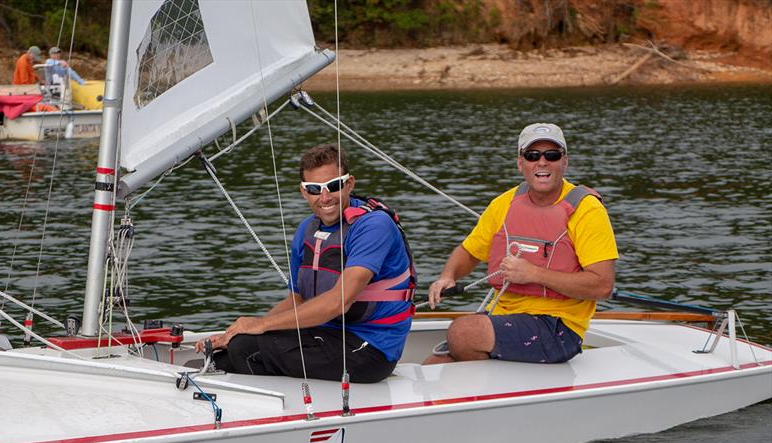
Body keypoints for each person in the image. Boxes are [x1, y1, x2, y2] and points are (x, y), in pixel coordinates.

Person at [195, 144, 416, 383]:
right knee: (223, 355)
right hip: (325, 334)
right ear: (303, 192)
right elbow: (296, 300)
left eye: (333, 186)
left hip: (370, 349)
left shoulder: (373, 226)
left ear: (349, 184)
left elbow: (339, 301)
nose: (325, 197)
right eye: (314, 189)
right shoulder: (306, 230)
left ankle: (277, 413)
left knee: (245, 350)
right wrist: (233, 332)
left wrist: (261, 325)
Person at [425, 123, 618, 365]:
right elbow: (469, 251)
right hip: (506, 315)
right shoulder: (503, 204)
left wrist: (534, 273)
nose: (542, 162)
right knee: (434, 365)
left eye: (552, 155)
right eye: (532, 155)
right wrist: (447, 275)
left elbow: (603, 286)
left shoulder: (587, 210)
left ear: (564, 162)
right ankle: (489, 393)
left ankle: (492, 391)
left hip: (559, 327)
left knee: (463, 333)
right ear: (520, 163)